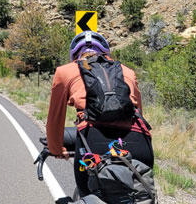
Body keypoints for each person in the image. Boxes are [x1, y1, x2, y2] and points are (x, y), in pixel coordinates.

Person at [46, 31, 153, 198]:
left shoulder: (65, 71)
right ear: (106, 53)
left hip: (94, 141)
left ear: (75, 55)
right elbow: (138, 112)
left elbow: (55, 119)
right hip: (139, 142)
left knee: (89, 196)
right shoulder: (128, 71)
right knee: (140, 196)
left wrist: (56, 148)